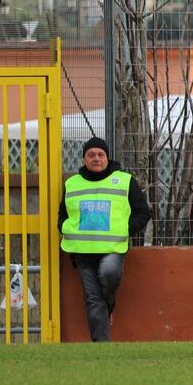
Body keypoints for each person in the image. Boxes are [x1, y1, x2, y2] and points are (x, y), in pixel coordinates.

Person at [58, 137, 150, 342]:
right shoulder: (72, 183)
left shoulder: (125, 181)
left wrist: (125, 230)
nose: (96, 158)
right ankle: (101, 345)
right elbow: (63, 213)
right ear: (84, 159)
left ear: (108, 158)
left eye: (100, 155)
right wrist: (63, 227)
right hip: (82, 252)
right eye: (91, 155)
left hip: (112, 249)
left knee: (108, 274)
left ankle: (109, 302)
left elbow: (143, 212)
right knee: (92, 299)